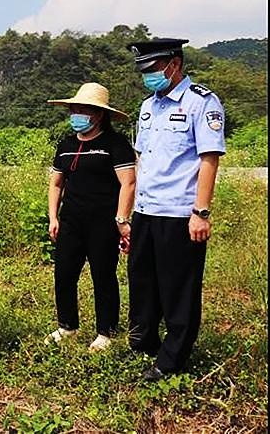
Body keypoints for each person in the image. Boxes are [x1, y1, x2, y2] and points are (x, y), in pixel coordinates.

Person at [126, 38, 225, 381]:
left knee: (178, 287)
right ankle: (146, 343)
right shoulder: (147, 106)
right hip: (146, 210)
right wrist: (129, 212)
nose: (149, 77)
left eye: (153, 70)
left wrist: (201, 212)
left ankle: (172, 360)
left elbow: (208, 159)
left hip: (179, 213)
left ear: (174, 64)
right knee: (142, 279)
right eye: (145, 72)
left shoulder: (202, 102)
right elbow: (141, 158)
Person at [44, 83, 136, 351]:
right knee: (64, 274)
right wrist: (53, 217)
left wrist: (121, 219)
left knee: (103, 275)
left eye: (83, 110)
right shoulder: (66, 145)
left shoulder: (114, 144)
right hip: (71, 220)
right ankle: (67, 326)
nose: (77, 114)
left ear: (98, 114)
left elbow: (128, 183)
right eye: (74, 109)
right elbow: (56, 183)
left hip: (103, 222)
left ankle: (105, 332)